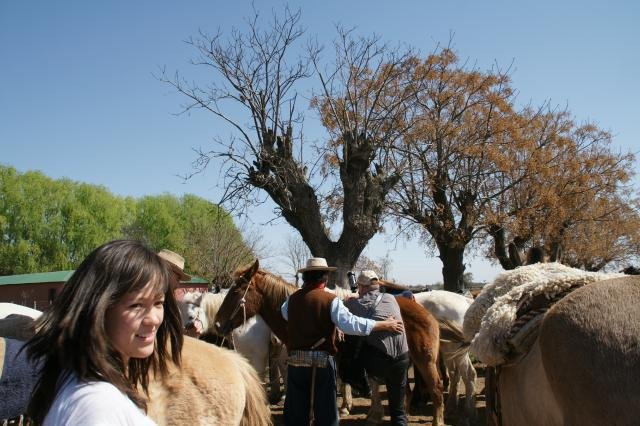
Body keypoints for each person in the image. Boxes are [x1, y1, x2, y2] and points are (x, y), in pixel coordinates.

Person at [24, 240, 184, 425]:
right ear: (99, 309)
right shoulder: (97, 407)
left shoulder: (79, 380)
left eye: (158, 303)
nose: (154, 319)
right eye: (136, 305)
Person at [281, 258, 405, 426]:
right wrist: (384, 324)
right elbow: (351, 324)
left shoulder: (291, 301)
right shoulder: (330, 300)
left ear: (305, 278)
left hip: (296, 362)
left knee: (296, 411)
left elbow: (285, 314)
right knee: (326, 413)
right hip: (322, 363)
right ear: (325, 279)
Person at [345, 270, 410, 425]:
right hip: (402, 358)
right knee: (398, 410)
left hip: (378, 363)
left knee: (351, 350)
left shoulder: (355, 304)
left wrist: (352, 299)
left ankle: (362, 386)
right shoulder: (390, 298)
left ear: (361, 286)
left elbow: (342, 314)